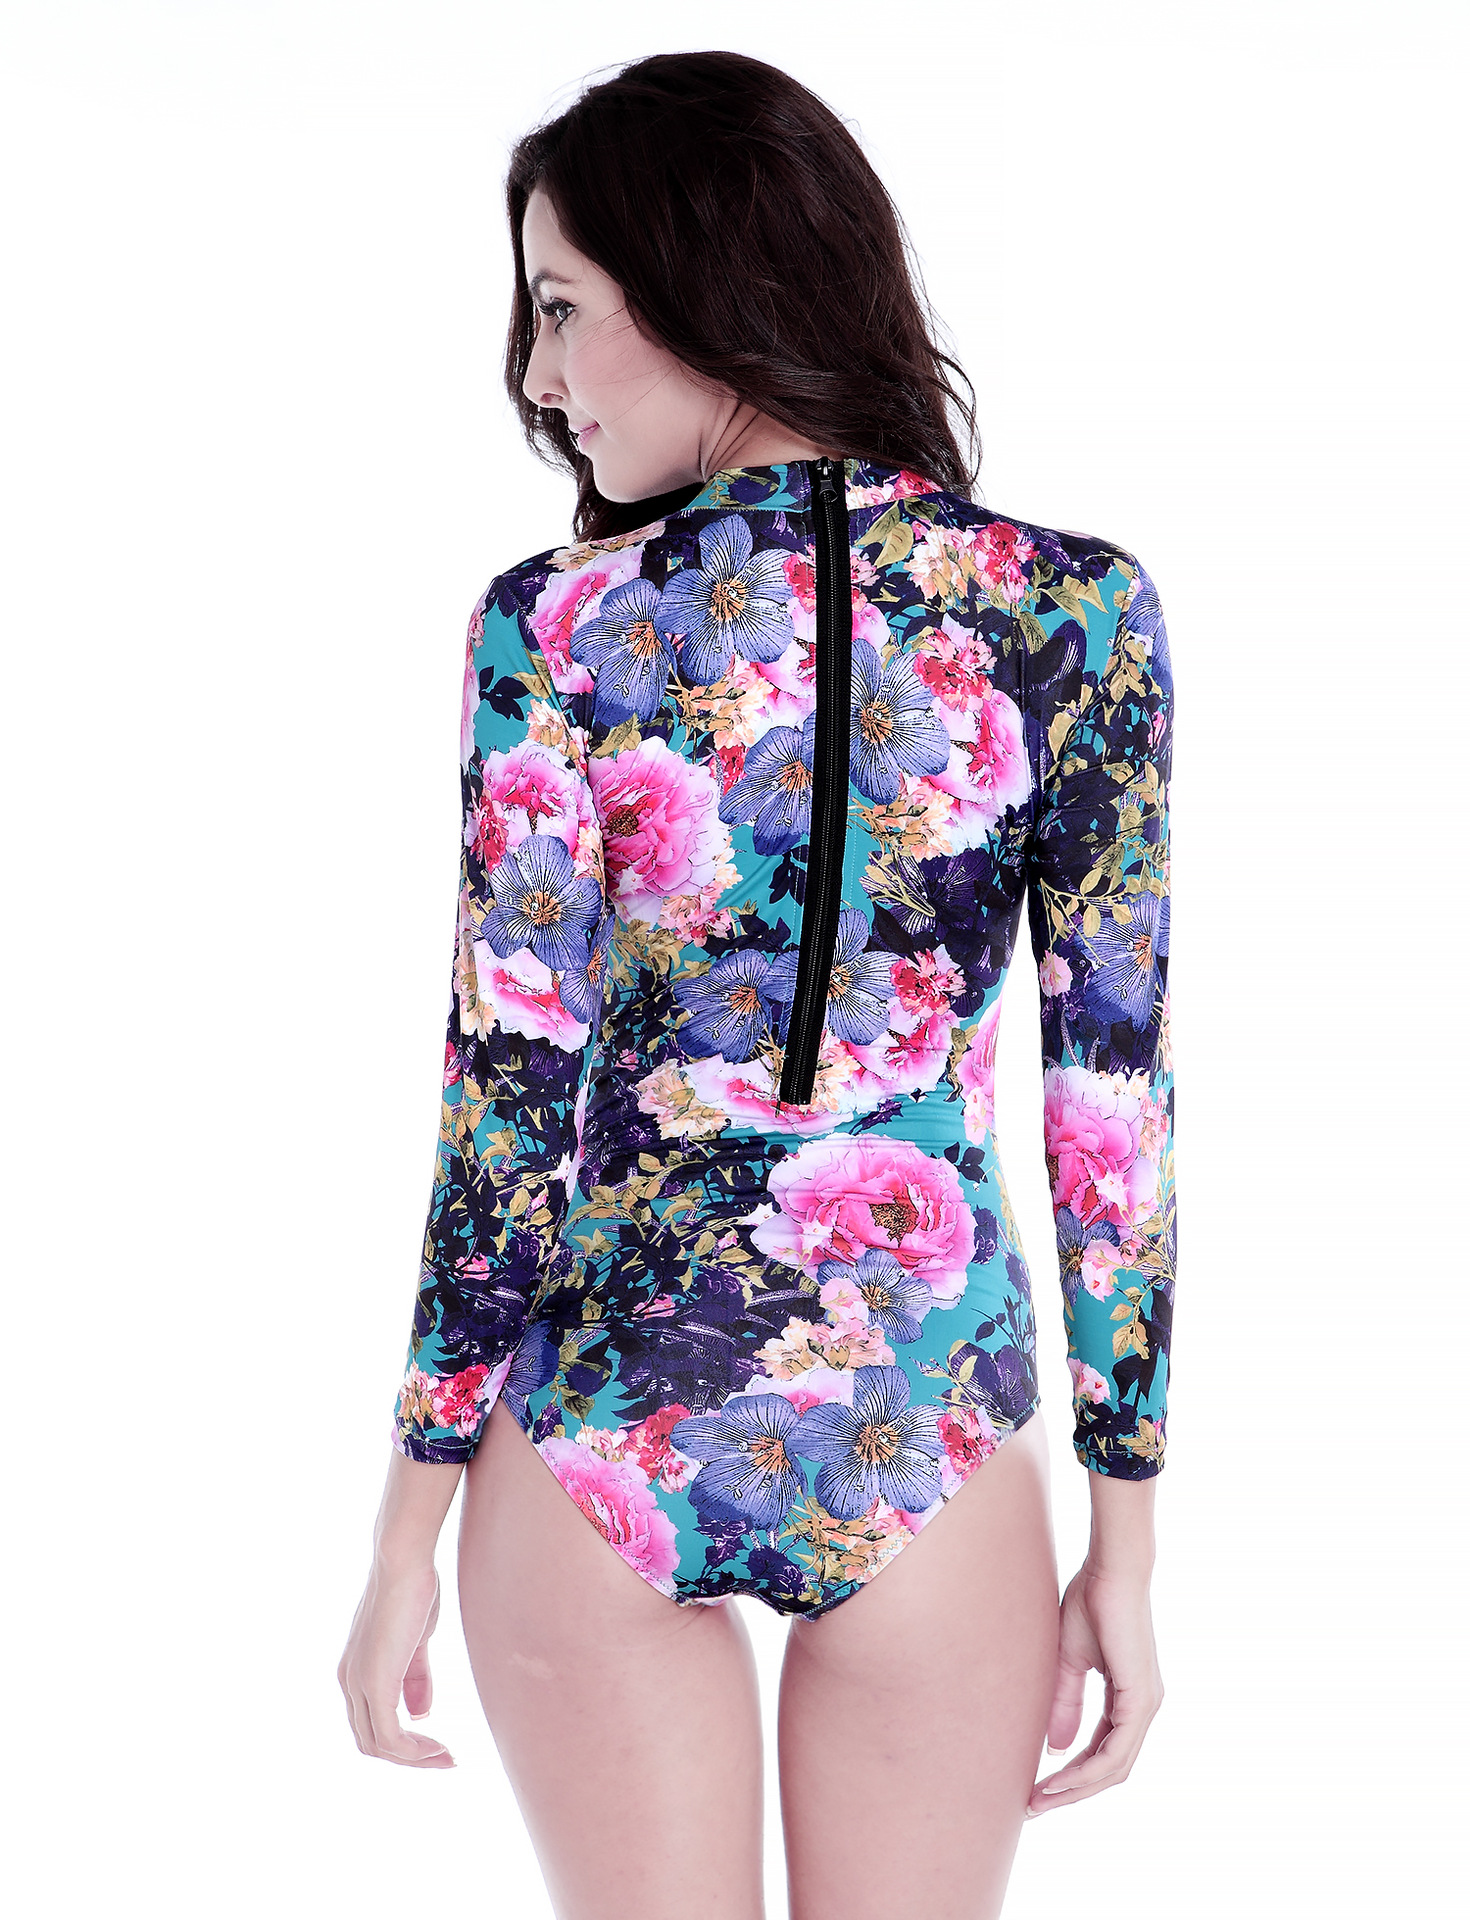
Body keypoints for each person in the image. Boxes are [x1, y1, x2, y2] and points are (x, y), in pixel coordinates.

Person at [339, 48, 1174, 1920]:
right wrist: (1123, 1531)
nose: (536, 374)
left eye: (563, 306)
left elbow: (505, 1092)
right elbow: (1107, 1102)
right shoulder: (1067, 612)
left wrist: (409, 1520)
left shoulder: (555, 626)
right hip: (927, 1421)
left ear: (701, 278)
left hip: (591, 1430)